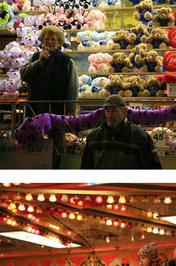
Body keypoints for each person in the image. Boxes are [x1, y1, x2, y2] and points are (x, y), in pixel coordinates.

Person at [19, 25, 77, 169]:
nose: (50, 42)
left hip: (57, 113)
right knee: (35, 147)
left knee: (54, 147)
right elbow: (24, 75)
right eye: (47, 39)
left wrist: (70, 112)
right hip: (35, 110)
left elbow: (72, 87)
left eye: (53, 39)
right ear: (42, 41)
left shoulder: (66, 61)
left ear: (59, 42)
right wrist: (38, 62)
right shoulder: (35, 57)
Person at [80, 94, 163, 169]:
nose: (109, 115)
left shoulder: (140, 137)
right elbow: (85, 167)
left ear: (125, 111)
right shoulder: (94, 137)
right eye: (107, 111)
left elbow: (153, 168)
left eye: (114, 110)